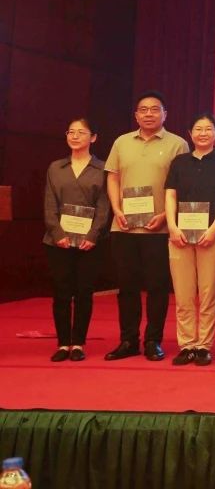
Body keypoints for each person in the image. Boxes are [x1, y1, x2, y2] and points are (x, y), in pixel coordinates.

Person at [104, 91, 190, 361]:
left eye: (155, 109)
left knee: (157, 287)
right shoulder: (121, 142)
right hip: (124, 227)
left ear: (165, 114)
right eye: (144, 109)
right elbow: (113, 178)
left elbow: (182, 185)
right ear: (136, 115)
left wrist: (165, 215)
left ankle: (153, 340)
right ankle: (128, 340)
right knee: (126, 287)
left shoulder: (178, 144)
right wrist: (117, 209)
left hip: (159, 229)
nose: (149, 114)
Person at [163, 113, 215, 366]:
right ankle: (187, 345)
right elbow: (170, 195)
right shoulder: (179, 162)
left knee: (208, 293)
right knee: (183, 295)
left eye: (208, 129)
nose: (203, 133)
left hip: (212, 237)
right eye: (198, 129)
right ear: (190, 134)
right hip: (179, 236)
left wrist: (214, 229)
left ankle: (203, 345)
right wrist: (172, 227)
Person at [43, 118, 111, 362]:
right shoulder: (55, 167)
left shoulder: (103, 169)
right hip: (58, 241)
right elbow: (49, 204)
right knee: (61, 292)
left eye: (81, 132)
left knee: (84, 292)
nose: (74, 136)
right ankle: (63, 343)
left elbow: (104, 206)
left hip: (89, 242)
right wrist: (58, 234)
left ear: (93, 137)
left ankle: (79, 343)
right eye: (70, 132)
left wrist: (93, 235)